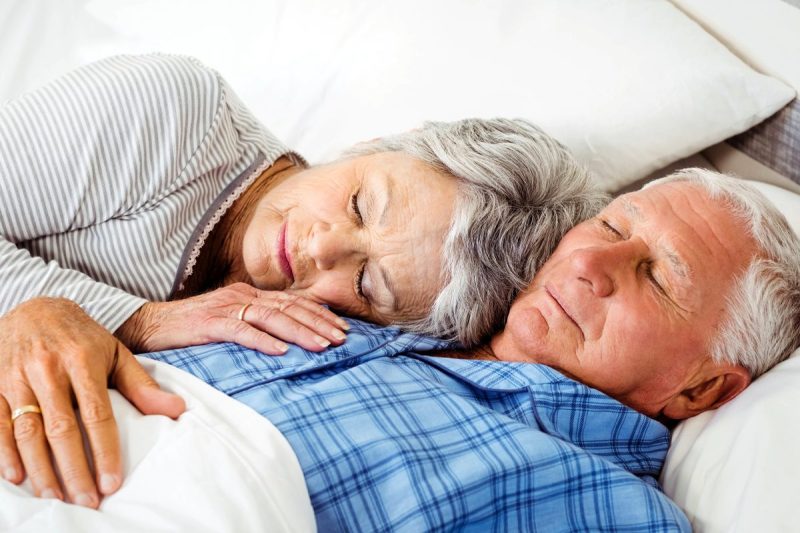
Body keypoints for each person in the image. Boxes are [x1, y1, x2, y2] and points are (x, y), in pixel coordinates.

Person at [0, 54, 605, 508]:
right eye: (363, 203)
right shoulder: (172, 114)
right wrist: (134, 320)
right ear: (370, 146)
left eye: (368, 282)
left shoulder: (317, 344)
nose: (323, 246)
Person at [56, 169, 800, 530]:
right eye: (609, 228)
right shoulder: (378, 308)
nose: (588, 266)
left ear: (701, 391)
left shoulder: (608, 509)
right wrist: (57, 319)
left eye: (656, 278)